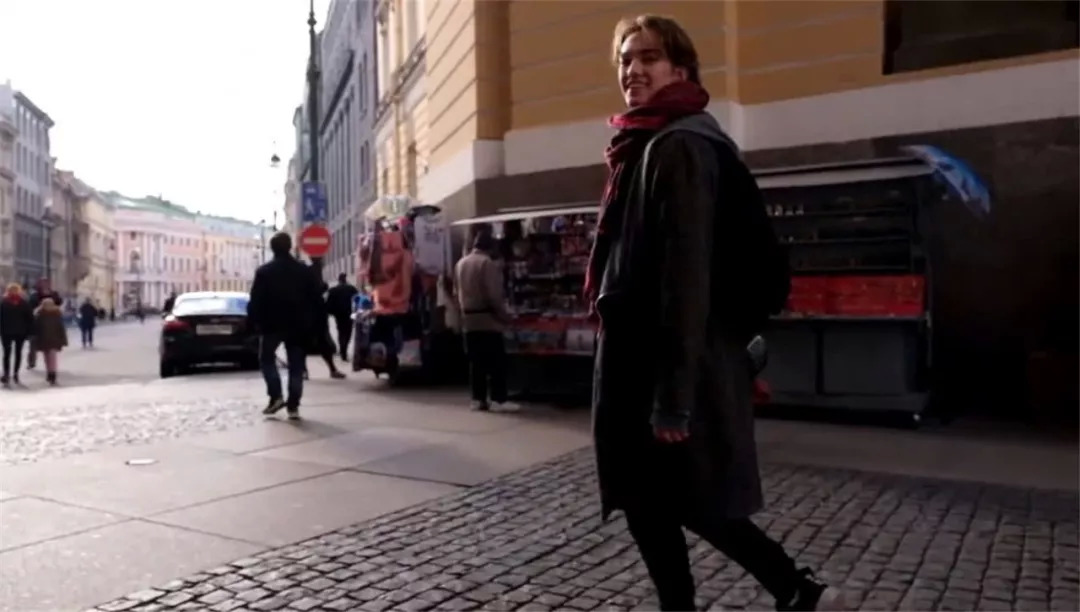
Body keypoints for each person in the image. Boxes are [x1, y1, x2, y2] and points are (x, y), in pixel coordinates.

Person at [587, 15, 843, 612]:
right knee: (655, 502)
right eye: (625, 60)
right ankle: (793, 590)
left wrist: (674, 398)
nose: (633, 71)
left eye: (649, 58)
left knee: (688, 499)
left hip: (667, 366)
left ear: (681, 69)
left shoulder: (677, 147)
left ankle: (796, 589)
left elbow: (687, 277)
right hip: (655, 361)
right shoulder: (648, 144)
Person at [247, 232, 325, 419]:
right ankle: (293, 407)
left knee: (267, 359)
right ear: (290, 247)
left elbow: (256, 300)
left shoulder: (264, 271)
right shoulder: (303, 271)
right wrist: (315, 324)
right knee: (296, 365)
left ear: (272, 249)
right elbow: (316, 299)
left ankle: (276, 396)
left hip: (271, 324)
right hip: (299, 325)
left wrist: (254, 322)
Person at [454, 231, 518, 412]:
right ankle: (498, 399)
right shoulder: (486, 263)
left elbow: (456, 293)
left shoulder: (461, 263)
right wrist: (505, 317)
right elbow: (493, 296)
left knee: (476, 363)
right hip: (488, 320)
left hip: (468, 319)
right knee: (496, 362)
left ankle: (478, 399)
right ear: (490, 247)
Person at [0, 283, 34, 387]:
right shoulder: (4, 302)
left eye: (15, 290)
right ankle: (7, 374)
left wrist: (29, 332)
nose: (13, 292)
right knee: (8, 353)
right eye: (12, 290)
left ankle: (14, 373)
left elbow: (29, 318)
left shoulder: (23, 303)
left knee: (17, 353)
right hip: (7, 331)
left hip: (19, 331)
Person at [26, 278, 62, 370]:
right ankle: (31, 361)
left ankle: (50, 367)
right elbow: (30, 307)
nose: (45, 285)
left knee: (48, 347)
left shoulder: (54, 294)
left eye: (47, 283)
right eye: (43, 283)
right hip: (37, 322)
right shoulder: (35, 295)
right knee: (33, 344)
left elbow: (59, 303)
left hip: (50, 322)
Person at [33, 297, 67, 386]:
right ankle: (50, 372)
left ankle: (52, 373)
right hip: (47, 339)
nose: (48, 306)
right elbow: (36, 328)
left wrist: (63, 339)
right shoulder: (41, 314)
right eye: (46, 305)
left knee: (50, 357)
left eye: (49, 304)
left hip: (50, 339)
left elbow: (61, 327)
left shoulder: (54, 314)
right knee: (48, 357)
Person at [326, 273, 359, 362]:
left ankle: (342, 350)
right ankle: (344, 349)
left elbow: (328, 304)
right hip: (349, 314)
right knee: (348, 332)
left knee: (341, 332)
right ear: (345, 279)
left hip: (339, 315)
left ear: (339, 280)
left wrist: (332, 312)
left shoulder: (333, 290)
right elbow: (358, 300)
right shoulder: (351, 289)